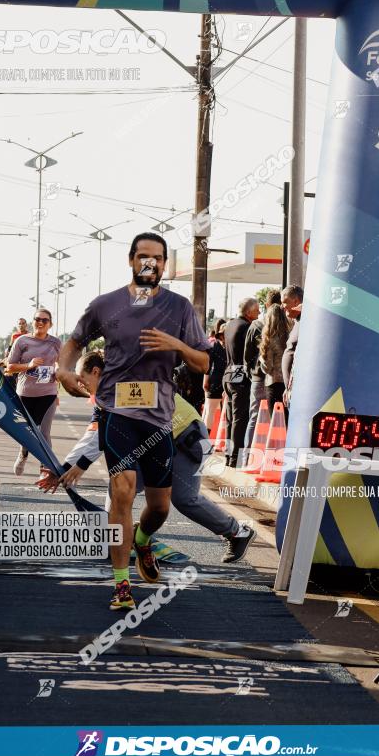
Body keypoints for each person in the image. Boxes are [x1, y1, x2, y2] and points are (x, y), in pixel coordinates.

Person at [57, 232, 210, 611]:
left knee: (160, 507)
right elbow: (75, 341)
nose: (150, 263)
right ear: (131, 260)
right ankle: (121, 585)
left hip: (159, 419)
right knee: (122, 490)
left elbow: (204, 362)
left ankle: (143, 539)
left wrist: (176, 345)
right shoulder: (106, 305)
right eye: (143, 256)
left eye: (157, 258)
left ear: (164, 265)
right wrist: (63, 369)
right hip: (117, 412)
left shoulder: (180, 308)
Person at [39, 351, 256, 564]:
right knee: (119, 489)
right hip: (153, 443)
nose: (80, 384)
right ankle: (115, 539)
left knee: (184, 499)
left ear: (96, 371)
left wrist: (78, 467)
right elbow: (93, 435)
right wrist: (63, 468)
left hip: (183, 435)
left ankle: (237, 533)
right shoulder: (105, 396)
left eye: (82, 378)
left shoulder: (122, 385)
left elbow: (101, 437)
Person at [7, 308, 61, 476]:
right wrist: (28, 366)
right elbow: (10, 367)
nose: (40, 322)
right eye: (37, 319)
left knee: (44, 433)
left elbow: (62, 364)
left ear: (50, 324)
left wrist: (59, 372)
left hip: (48, 393)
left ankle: (45, 469)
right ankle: (23, 453)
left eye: (45, 320)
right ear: (33, 322)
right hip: (25, 394)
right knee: (27, 432)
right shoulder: (22, 341)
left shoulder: (56, 343)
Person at [222, 298, 259, 468]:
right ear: (248, 312)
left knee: (231, 418)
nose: (259, 314)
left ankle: (230, 456)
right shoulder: (246, 327)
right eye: (257, 310)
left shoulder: (229, 324)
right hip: (239, 375)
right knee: (240, 418)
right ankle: (236, 457)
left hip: (228, 373)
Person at [243, 289, 281, 453]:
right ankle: (273, 458)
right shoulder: (288, 324)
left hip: (259, 378)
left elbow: (247, 355)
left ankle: (247, 457)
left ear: (267, 304)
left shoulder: (257, 325)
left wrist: (252, 372)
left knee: (254, 417)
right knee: (277, 420)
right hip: (279, 380)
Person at [259, 304, 290, 420]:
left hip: (273, 384)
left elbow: (267, 368)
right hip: (288, 384)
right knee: (286, 421)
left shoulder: (270, 339)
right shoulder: (290, 336)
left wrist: (261, 358)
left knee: (276, 423)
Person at [281, 286, 304, 404]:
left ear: (296, 301)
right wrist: (288, 388)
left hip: (301, 391)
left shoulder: (308, 320)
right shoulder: (297, 322)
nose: (282, 306)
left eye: (285, 302)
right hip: (292, 390)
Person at [202, 321, 227, 430]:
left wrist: (205, 381)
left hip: (217, 381)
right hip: (224, 381)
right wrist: (206, 381)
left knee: (210, 410)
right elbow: (208, 365)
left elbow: (208, 365)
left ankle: (206, 438)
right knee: (212, 411)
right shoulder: (233, 346)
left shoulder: (214, 345)